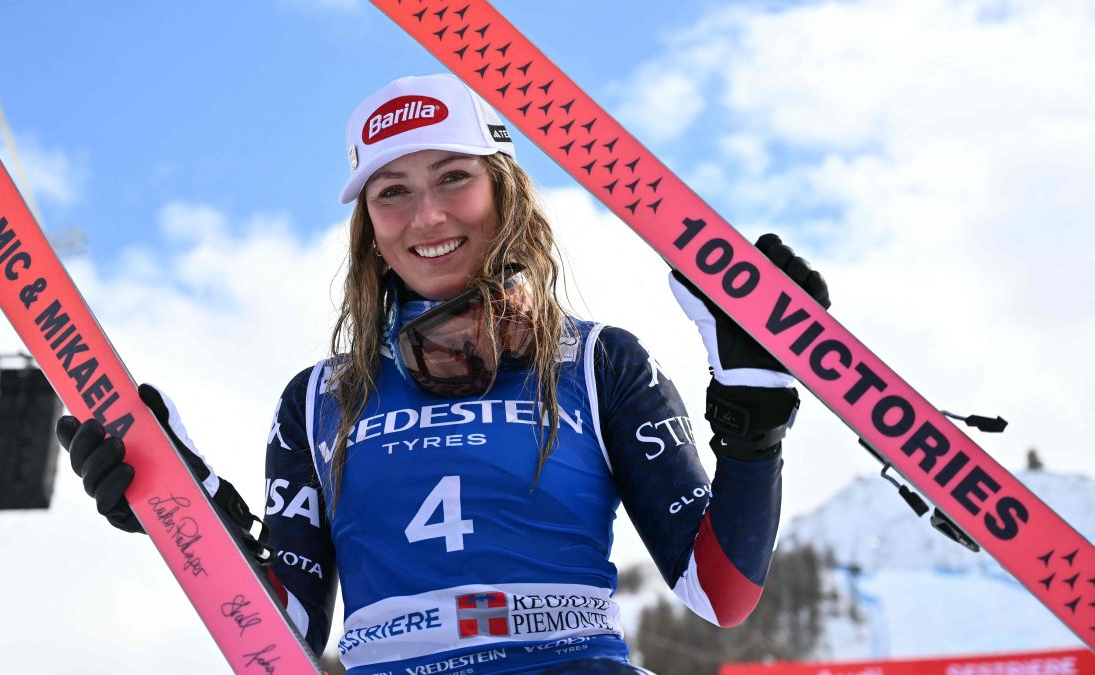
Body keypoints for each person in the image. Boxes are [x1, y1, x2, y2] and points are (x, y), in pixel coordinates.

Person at [58, 73, 830, 674]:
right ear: (370, 231)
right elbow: (284, 634)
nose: (426, 217)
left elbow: (720, 592)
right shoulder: (319, 399)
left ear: (504, 191)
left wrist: (752, 407)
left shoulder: (597, 361)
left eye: (453, 176)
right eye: (392, 192)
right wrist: (186, 514)